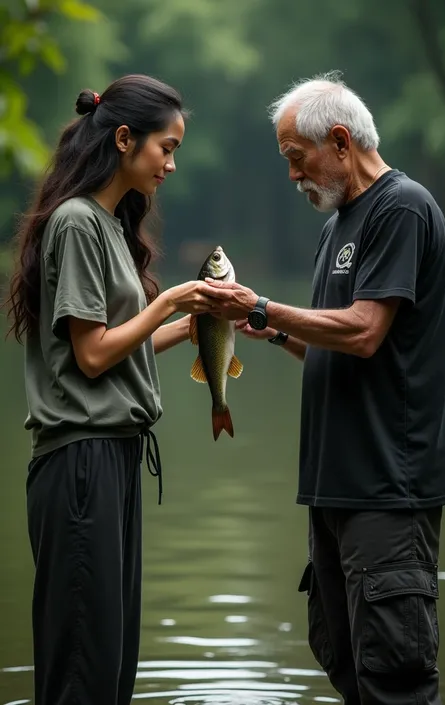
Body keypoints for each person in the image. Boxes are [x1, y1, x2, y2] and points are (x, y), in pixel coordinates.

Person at [204, 71, 445, 705]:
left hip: (388, 489)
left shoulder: (401, 207)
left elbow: (365, 332)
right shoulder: (337, 227)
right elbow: (335, 347)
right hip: (333, 489)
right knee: (347, 664)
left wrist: (265, 305)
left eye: (298, 159)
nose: (293, 177)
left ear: (342, 141)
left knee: (394, 678)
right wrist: (270, 331)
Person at [4, 74, 219, 705]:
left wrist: (198, 323)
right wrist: (174, 296)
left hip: (113, 458)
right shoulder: (75, 223)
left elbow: (123, 348)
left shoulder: (108, 226)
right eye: (166, 148)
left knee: (112, 662)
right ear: (124, 139)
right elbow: (93, 356)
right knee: (83, 668)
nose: (171, 165)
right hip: (79, 463)